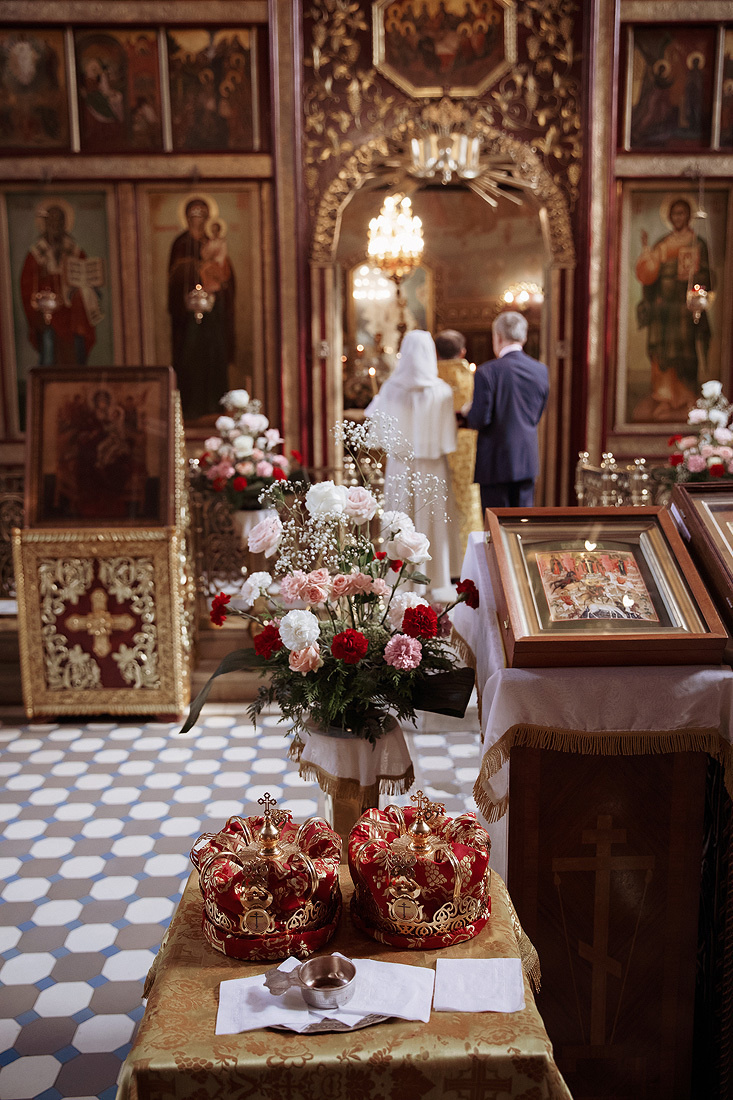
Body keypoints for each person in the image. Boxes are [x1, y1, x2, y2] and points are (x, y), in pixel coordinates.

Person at [365, 329, 462, 597]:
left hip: (400, 465)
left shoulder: (390, 390)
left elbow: (378, 437)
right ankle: (435, 579)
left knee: (401, 519)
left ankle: (400, 581)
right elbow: (448, 440)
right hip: (433, 467)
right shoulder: (441, 391)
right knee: (432, 520)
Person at [634, 196, 711, 421]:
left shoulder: (698, 243)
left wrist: (694, 277)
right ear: (670, 217)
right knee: (662, 353)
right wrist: (647, 254)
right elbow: (649, 274)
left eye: (682, 213)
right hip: (662, 308)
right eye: (674, 214)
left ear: (688, 216)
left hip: (684, 309)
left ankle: (686, 397)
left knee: (685, 352)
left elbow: (707, 276)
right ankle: (665, 398)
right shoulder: (663, 242)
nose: (678, 217)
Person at [465, 311, 549, 511]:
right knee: (522, 527)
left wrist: (469, 411)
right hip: (526, 459)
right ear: (524, 337)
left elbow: (479, 420)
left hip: (495, 461)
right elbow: (536, 414)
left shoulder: (487, 372)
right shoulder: (540, 370)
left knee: (496, 531)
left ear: (497, 337)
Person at [167, 196, 235, 421]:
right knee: (190, 357)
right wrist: (195, 267)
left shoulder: (213, 241)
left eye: (201, 215)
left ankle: (215, 406)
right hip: (187, 316)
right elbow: (175, 276)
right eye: (193, 215)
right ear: (186, 217)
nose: (197, 220)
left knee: (214, 355)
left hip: (213, 313)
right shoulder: (181, 244)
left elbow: (227, 279)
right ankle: (190, 407)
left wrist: (217, 270)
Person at [20, 203, 99, 366]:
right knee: (49, 358)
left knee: (77, 357)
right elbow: (27, 286)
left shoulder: (75, 252)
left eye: (59, 221)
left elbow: (90, 283)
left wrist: (84, 289)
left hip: (73, 316)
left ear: (64, 224)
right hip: (48, 315)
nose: (55, 225)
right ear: (45, 224)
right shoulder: (36, 254)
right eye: (52, 221)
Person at [435, 328, 482, 554]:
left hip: (436, 448)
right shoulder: (474, 377)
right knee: (466, 498)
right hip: (468, 448)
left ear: (435, 353)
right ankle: (466, 555)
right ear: (462, 352)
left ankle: (439, 555)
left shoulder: (428, 377)